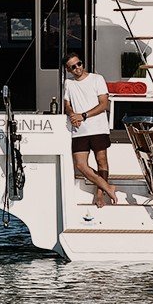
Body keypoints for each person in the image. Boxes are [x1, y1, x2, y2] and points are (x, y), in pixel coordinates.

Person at [62, 53, 120, 208]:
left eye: (78, 64)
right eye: (72, 67)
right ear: (68, 70)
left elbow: (103, 104)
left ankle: (100, 195)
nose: (77, 68)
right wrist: (72, 114)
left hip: (98, 128)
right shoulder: (68, 83)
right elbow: (66, 104)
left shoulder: (97, 79)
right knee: (80, 165)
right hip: (79, 130)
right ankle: (108, 187)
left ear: (82, 63)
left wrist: (83, 115)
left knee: (102, 162)